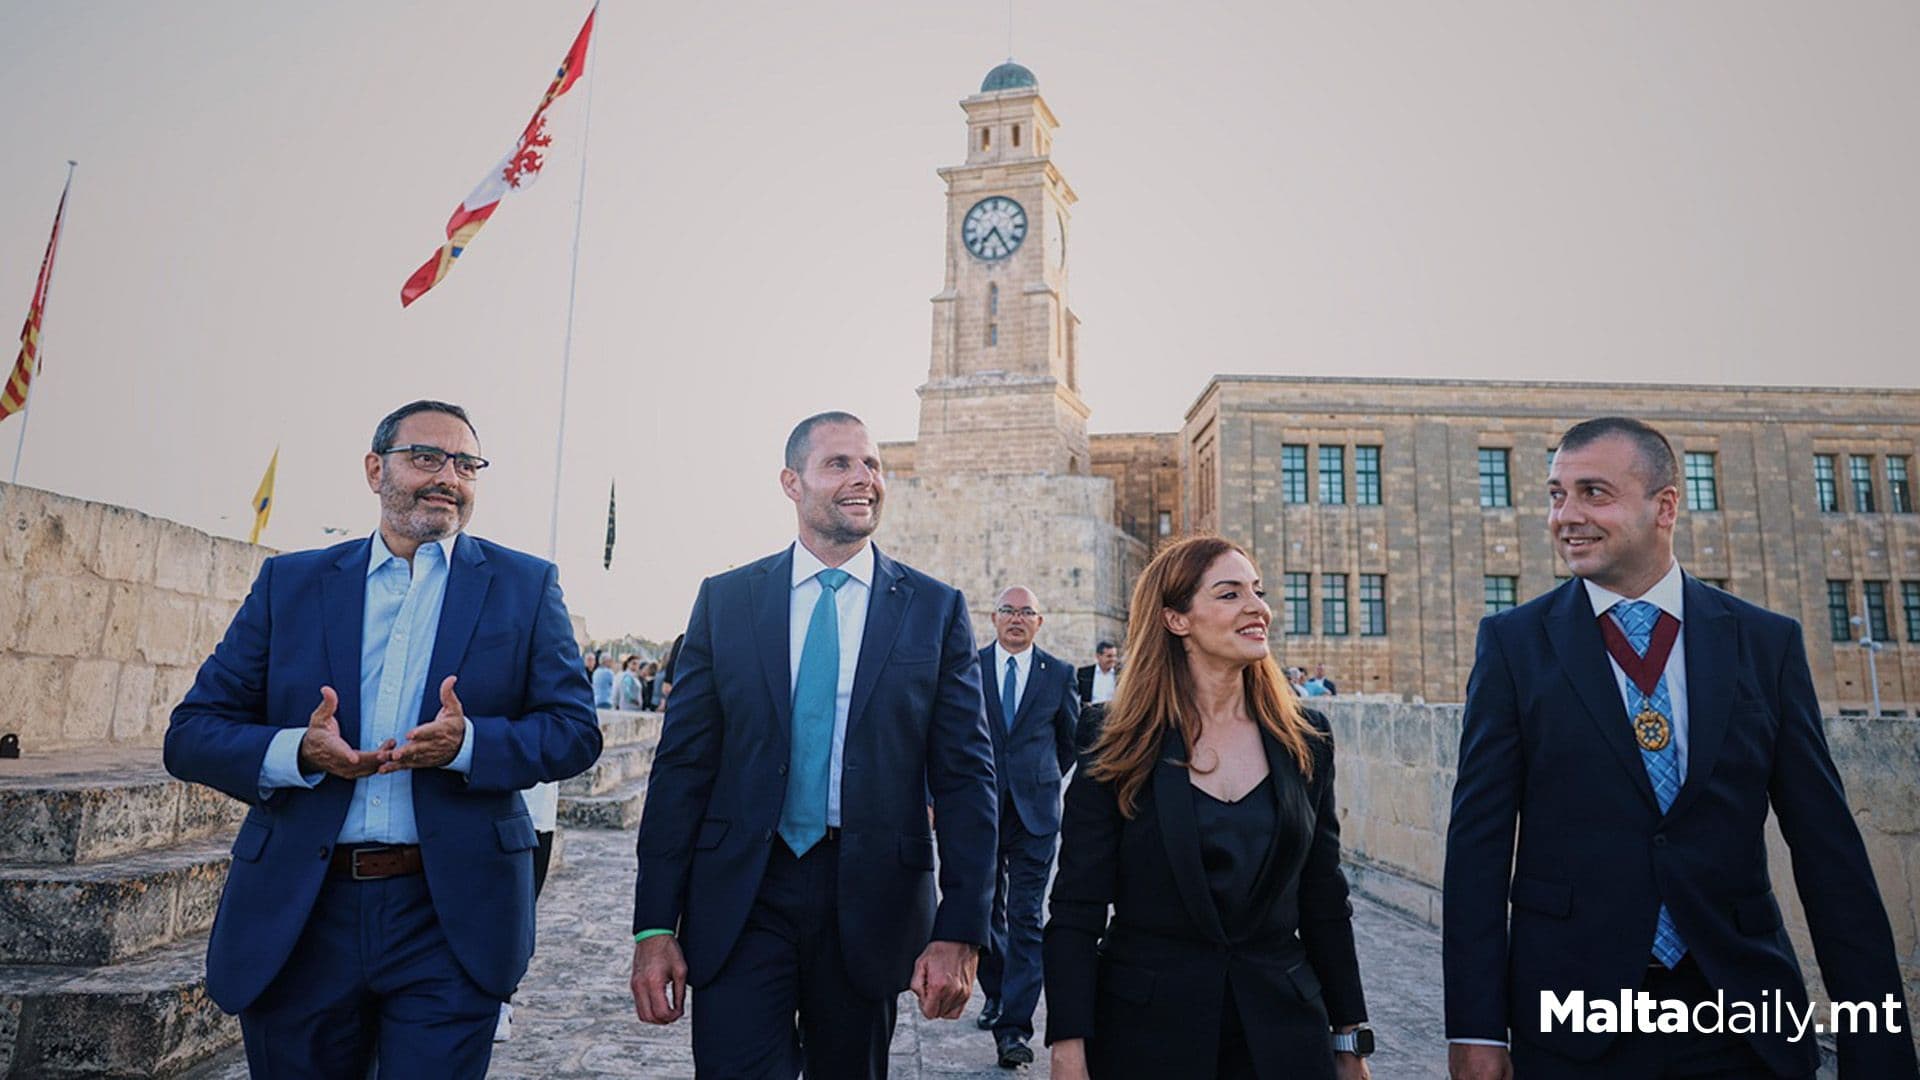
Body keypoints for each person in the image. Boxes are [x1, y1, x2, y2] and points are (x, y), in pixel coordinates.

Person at [1444, 417, 1918, 1080]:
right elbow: (1477, 852)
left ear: (1665, 505)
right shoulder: (1514, 646)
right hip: (1576, 1022)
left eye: (1593, 493)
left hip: (1740, 1019)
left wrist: (1880, 1045)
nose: (1565, 516)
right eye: (1556, 494)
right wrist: (1475, 1029)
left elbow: (1829, 856)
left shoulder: (1764, 644)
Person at [163, 399, 602, 1078]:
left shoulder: (523, 586)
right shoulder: (292, 584)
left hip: (450, 913)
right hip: (304, 915)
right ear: (375, 469)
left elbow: (574, 733)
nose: (447, 477)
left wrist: (467, 746)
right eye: (425, 457)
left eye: (466, 464)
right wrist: (296, 753)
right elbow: (191, 733)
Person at [629, 411, 998, 1079]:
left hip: (872, 903)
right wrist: (654, 926)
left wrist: (959, 928)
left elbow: (967, 780)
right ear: (791, 483)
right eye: (840, 464)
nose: (865, 479)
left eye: (873, 465)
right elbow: (681, 770)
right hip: (743, 895)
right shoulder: (727, 601)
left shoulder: (934, 611)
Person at [1045, 536, 1372, 1080]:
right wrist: (1067, 1045)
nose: (1257, 607)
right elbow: (1077, 908)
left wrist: (1349, 1038)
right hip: (1146, 1039)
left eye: (1258, 591)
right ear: (1177, 620)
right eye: (1230, 594)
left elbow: (1325, 901)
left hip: (1285, 1038)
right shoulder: (1113, 739)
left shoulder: (1307, 740)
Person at [973, 585, 1080, 1067]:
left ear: (1040, 622)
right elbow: (948, 734)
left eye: (1027, 612)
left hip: (1035, 814)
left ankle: (1014, 1028)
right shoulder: (968, 668)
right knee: (984, 910)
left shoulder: (1058, 674)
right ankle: (995, 994)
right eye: (1008, 611)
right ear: (993, 619)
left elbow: (1070, 741)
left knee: (1027, 918)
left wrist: (1040, 777)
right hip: (980, 809)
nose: (1016, 619)